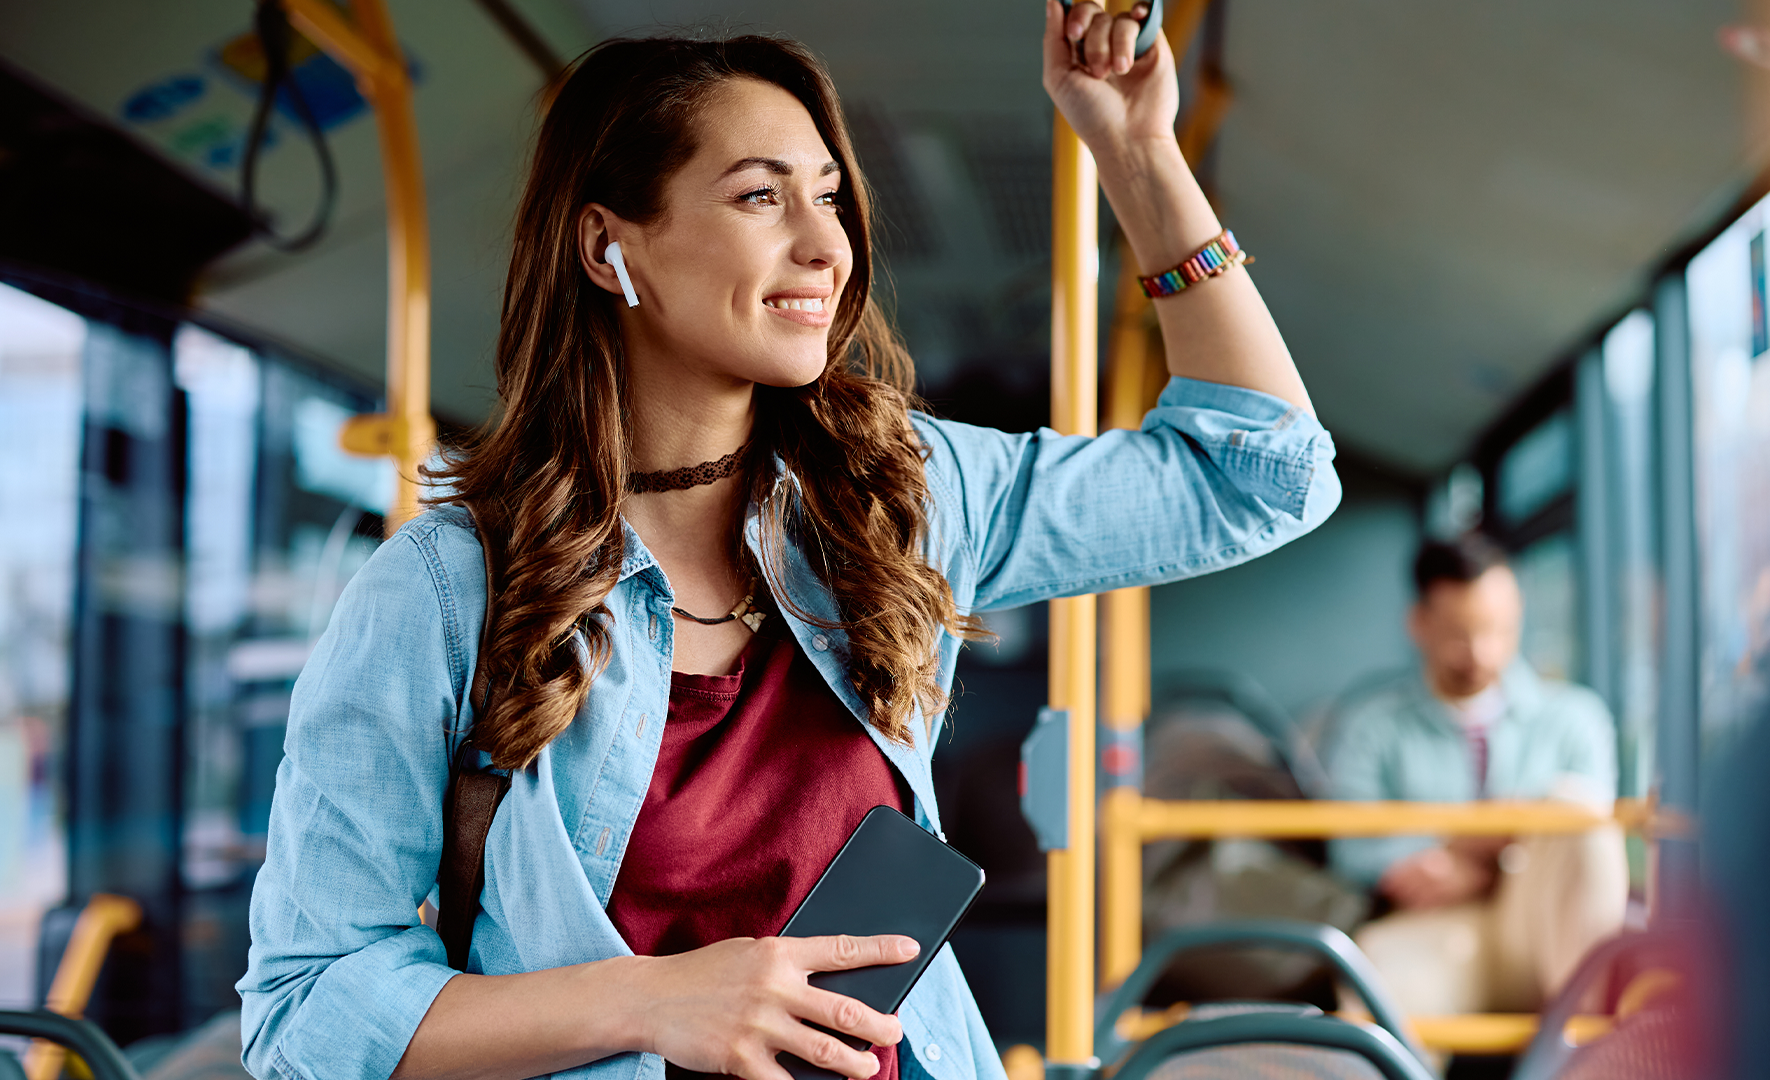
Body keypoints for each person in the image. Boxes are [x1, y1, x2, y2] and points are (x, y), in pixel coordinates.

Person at [238, 7, 1342, 1080]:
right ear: (607, 245)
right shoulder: (443, 593)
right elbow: (306, 1008)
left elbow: (1260, 474)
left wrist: (1138, 151)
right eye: (761, 197)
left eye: (829, 197)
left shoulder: (903, 497)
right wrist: (658, 1001)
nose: (827, 244)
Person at [1322, 535, 1626, 1016]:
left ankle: (1587, 1050)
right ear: (1419, 624)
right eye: (1460, 634)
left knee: (1576, 811)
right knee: (1381, 1000)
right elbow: (1352, 849)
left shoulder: (1576, 717)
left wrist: (1468, 852)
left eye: (1497, 630)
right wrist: (1483, 837)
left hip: (1542, 928)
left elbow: (1592, 847)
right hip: (1432, 925)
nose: (1481, 652)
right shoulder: (1370, 726)